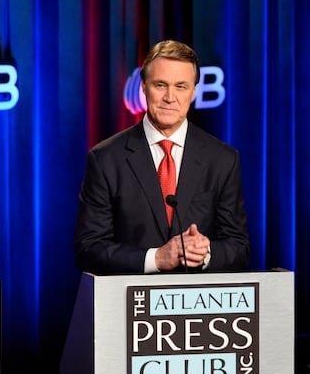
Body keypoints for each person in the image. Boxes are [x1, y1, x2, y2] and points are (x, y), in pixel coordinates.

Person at [73, 39, 250, 274]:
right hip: (129, 302)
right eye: (160, 85)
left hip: (198, 304)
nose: (170, 97)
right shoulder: (106, 159)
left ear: (194, 92)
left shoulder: (222, 160)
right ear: (144, 87)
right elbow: (88, 248)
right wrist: (155, 258)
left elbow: (238, 247)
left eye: (181, 86)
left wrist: (205, 254)